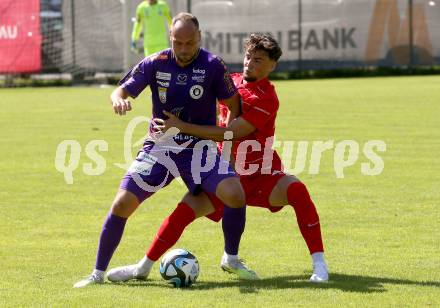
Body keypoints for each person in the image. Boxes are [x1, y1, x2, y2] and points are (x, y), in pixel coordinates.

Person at [110, 34, 328, 283]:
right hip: (224, 173)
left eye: (258, 60)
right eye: (248, 57)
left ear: (272, 66)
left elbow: (233, 133)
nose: (250, 63)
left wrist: (182, 126)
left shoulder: (266, 98)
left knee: (298, 192)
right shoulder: (229, 82)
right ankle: (142, 267)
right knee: (183, 212)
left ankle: (319, 265)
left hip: (261, 175)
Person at [73, 12, 247, 288]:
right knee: (121, 204)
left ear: (199, 38)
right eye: (178, 43)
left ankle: (232, 258)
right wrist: (118, 101)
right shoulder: (156, 62)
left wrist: (223, 141)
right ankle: (96, 274)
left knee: (235, 194)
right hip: (160, 148)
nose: (184, 49)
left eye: (189, 43)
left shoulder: (213, 65)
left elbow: (234, 109)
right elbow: (120, 91)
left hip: (199, 149)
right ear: (171, 39)